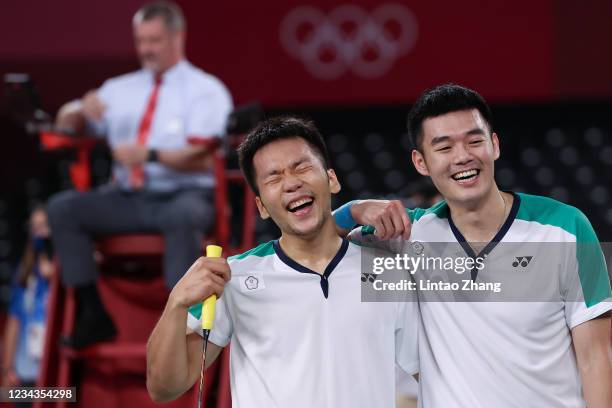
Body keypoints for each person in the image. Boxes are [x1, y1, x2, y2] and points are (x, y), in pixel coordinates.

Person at [334, 84, 612, 407]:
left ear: (494, 145)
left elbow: (597, 358)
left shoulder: (565, 228)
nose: (463, 156)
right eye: (444, 147)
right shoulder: (408, 236)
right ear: (420, 162)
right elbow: (311, 246)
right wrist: (352, 210)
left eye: (474, 140)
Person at [145, 117, 419, 407]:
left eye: (301, 167)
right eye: (273, 178)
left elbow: (431, 373)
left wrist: (352, 212)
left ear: (332, 179)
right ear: (262, 206)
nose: (291, 183)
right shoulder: (234, 278)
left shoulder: (383, 271)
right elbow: (164, 388)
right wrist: (176, 304)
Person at [47, 1, 233, 349]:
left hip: (184, 195)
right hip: (127, 198)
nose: (146, 49)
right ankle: (92, 314)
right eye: (141, 40)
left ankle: (181, 325)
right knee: (62, 208)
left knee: (182, 216)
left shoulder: (206, 90)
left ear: (178, 37)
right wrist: (77, 108)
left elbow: (207, 158)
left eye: (155, 40)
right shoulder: (119, 89)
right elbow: (66, 123)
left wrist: (149, 155)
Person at [2, 206, 55, 405]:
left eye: (44, 226)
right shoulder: (23, 273)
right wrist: (7, 368)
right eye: (34, 227)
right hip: (26, 373)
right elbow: (14, 322)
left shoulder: (64, 269)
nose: (38, 232)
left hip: (56, 374)